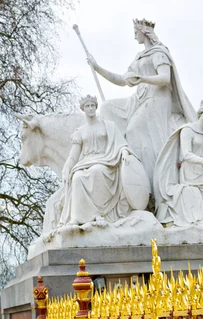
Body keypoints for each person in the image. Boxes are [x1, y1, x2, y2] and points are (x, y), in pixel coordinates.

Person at [87, 18, 195, 188]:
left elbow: (165, 78)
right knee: (107, 108)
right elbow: (122, 80)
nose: (134, 36)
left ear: (144, 33)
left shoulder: (159, 53)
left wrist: (142, 79)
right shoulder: (139, 58)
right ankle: (112, 159)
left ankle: (146, 183)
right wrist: (97, 67)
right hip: (138, 98)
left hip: (157, 98)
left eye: (136, 33)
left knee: (133, 129)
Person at [60, 95, 147, 226]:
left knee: (97, 171)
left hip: (106, 160)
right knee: (77, 177)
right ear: (83, 109)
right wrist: (66, 168)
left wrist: (124, 152)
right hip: (86, 162)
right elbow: (73, 156)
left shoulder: (109, 126)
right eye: (87, 106)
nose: (90, 109)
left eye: (92, 106)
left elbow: (121, 143)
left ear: (96, 107)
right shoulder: (80, 131)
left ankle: (99, 213)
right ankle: (76, 218)